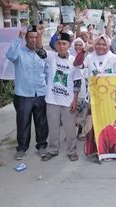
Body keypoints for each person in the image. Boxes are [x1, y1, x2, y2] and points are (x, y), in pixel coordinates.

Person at [35, 32, 82, 161]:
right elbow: (39, 50)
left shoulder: (74, 61)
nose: (61, 46)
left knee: (70, 129)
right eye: (59, 43)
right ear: (55, 45)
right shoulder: (51, 57)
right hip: (52, 100)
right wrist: (39, 34)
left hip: (68, 101)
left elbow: (77, 82)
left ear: (69, 45)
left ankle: (72, 151)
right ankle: (52, 150)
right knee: (53, 128)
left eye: (64, 44)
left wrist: (75, 100)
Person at [6, 25, 48, 160]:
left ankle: (41, 146)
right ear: (26, 38)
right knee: (23, 122)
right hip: (23, 95)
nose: (33, 40)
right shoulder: (19, 53)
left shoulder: (41, 54)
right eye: (31, 37)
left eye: (36, 37)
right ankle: (22, 148)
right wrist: (18, 38)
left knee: (41, 122)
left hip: (40, 93)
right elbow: (10, 55)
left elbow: (47, 72)